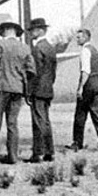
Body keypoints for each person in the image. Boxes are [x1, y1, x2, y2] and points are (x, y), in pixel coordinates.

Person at [0, 21, 36, 165]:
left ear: (5, 31)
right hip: (17, 89)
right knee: (12, 123)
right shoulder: (24, 47)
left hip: (1, 87)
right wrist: (20, 79)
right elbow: (31, 70)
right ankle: (12, 156)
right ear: (16, 32)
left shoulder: (0, 44)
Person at [25, 18, 73, 162]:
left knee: (38, 121)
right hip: (47, 88)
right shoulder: (50, 48)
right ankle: (48, 152)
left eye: (33, 30)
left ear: (40, 31)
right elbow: (52, 71)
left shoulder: (37, 48)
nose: (30, 33)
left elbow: (35, 72)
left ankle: (38, 153)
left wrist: (29, 90)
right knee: (45, 120)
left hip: (38, 89)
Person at [71, 28, 98, 152]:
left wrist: (80, 88)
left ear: (86, 38)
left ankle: (77, 142)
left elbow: (86, 71)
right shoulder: (94, 50)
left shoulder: (84, 51)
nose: (77, 39)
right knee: (97, 113)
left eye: (79, 37)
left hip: (88, 85)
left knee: (80, 114)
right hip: (97, 83)